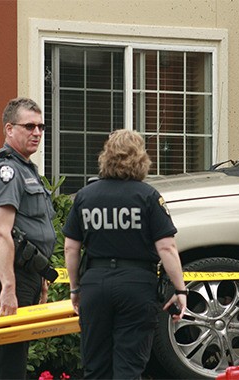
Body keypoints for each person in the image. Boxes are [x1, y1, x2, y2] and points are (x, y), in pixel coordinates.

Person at [63, 129, 187, 379]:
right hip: (136, 285)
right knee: (129, 367)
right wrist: (180, 290)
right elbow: (166, 247)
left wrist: (76, 288)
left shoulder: (85, 196)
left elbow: (71, 247)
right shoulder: (148, 197)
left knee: (95, 367)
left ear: (105, 157)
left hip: (95, 284)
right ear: (141, 159)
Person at [0, 97, 56, 379]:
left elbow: (31, 229)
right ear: (9, 129)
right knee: (8, 360)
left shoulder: (26, 169)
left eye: (41, 127)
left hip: (26, 272)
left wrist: (40, 277)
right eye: (29, 126)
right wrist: (8, 287)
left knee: (8, 357)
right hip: (11, 274)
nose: (37, 132)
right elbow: (0, 232)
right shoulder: (6, 172)